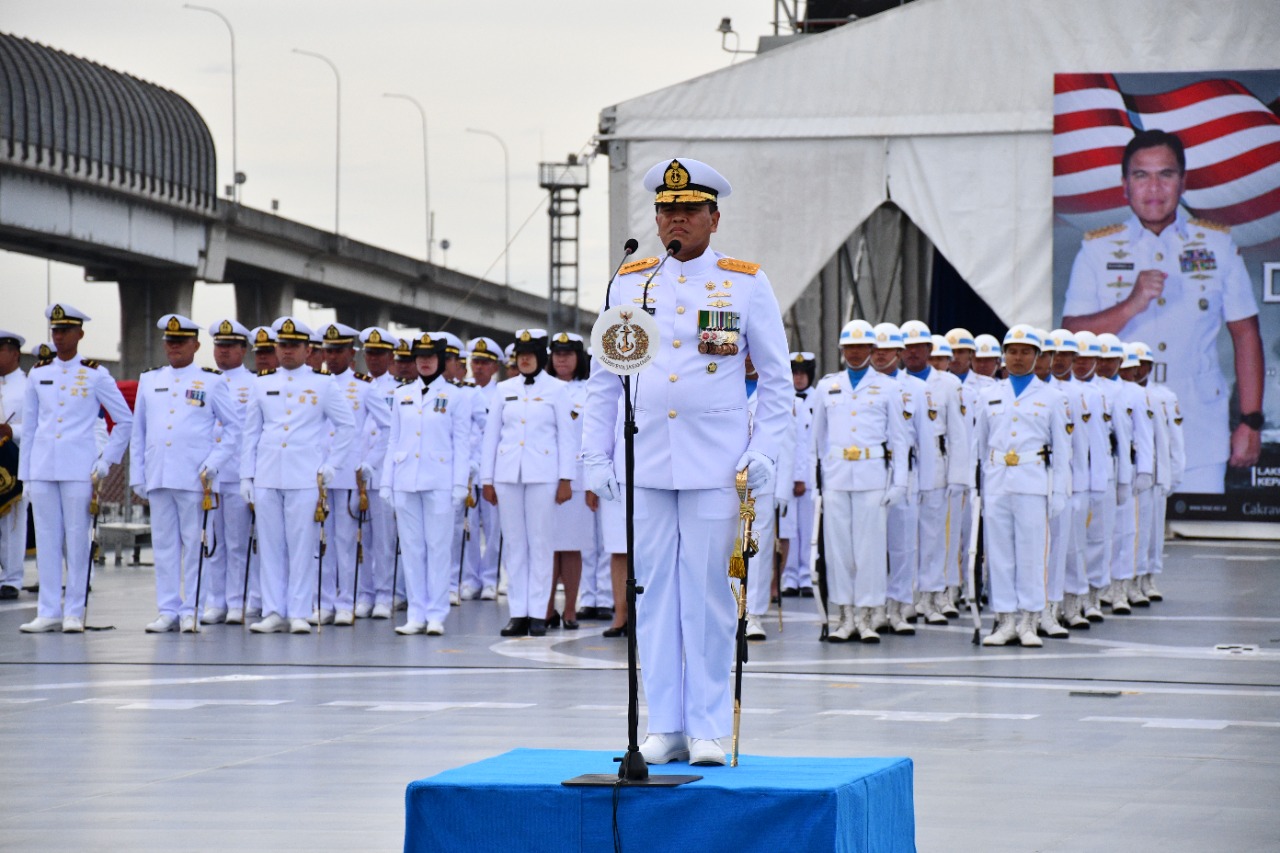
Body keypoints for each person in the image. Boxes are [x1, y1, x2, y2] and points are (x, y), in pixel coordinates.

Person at [582, 157, 791, 767]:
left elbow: (777, 382)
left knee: (707, 594)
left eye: (688, 211)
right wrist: (594, 452)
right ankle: (666, 724)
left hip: (716, 465)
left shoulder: (746, 282)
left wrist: (763, 450)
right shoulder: (630, 282)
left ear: (713, 218)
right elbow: (604, 377)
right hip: (645, 461)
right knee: (653, 594)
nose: (675, 220)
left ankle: (706, 725)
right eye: (666, 211)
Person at [1063, 129, 1264, 494]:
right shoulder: (1097, 250)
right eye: (1141, 175)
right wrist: (1131, 304)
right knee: (1119, 547)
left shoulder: (1217, 245)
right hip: (1117, 429)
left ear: (1182, 182)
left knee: (1199, 543)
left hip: (1198, 431)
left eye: (1165, 174)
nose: (1153, 188)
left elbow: (1246, 334)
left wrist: (1251, 422)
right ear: (1125, 185)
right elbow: (1073, 336)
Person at [19, 304, 133, 633]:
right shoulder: (39, 374)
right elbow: (29, 429)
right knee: (47, 539)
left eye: (65, 330)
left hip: (78, 470)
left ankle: (74, 610)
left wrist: (105, 460)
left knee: (77, 541)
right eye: (55, 330)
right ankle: (49, 610)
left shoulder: (95, 374)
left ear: (79, 334)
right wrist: (26, 475)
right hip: (42, 468)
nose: (58, 336)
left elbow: (123, 421)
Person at [239, 316, 356, 635]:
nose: (287, 351)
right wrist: (246, 476)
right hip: (267, 473)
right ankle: (274, 609)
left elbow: (347, 426)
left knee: (303, 546)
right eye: (282, 345)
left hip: (305, 474)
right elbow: (250, 433)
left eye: (294, 346)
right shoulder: (261, 383)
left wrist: (332, 463)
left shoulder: (323, 383)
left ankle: (300, 611)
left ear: (308, 349)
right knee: (270, 545)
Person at [129, 315, 240, 633]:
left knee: (195, 545)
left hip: (195, 478)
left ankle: (191, 609)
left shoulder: (211, 381)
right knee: (163, 546)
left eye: (180, 342)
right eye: (169, 341)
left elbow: (234, 429)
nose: (173, 347)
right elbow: (139, 433)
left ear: (196, 345)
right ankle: (167, 610)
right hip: (160, 474)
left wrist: (213, 463)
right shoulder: (149, 380)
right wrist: (139, 474)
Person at [811, 320, 910, 644]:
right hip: (837, 476)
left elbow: (900, 438)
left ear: (871, 350)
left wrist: (900, 482)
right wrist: (818, 483)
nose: (854, 352)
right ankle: (845, 617)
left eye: (861, 347)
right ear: (842, 351)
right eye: (849, 347)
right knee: (838, 551)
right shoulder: (827, 386)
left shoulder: (889, 387)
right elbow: (818, 439)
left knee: (869, 550)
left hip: (871, 476)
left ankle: (868, 616)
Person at [974, 325, 1070, 648]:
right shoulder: (989, 395)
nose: (1017, 358)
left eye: (1025, 352)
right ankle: (1006, 621)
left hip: (1033, 482)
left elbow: (1063, 451)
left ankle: (1029, 620)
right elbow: (981, 445)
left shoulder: (1053, 398)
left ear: (1038, 357)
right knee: (999, 554)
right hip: (999, 481)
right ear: (1004, 355)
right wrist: (984, 486)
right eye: (1012, 351)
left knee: (1031, 553)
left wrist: (1059, 493)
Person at [480, 329, 576, 639]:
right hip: (508, 474)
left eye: (530, 354)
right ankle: (517, 612)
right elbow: (491, 436)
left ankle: (538, 613)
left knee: (541, 543)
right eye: (520, 354)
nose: (524, 359)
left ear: (540, 357)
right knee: (515, 545)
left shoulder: (557, 390)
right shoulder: (503, 388)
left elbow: (566, 437)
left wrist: (566, 478)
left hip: (543, 474)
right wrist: (487, 478)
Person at [382, 332, 472, 636]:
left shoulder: (456, 396)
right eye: (419, 358)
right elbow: (393, 440)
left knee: (438, 547)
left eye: (430, 357)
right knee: (411, 549)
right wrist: (387, 482)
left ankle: (436, 613)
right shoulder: (401, 394)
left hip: (440, 480)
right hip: (406, 478)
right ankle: (416, 613)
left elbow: (462, 443)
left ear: (441, 361)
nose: (424, 362)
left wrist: (460, 483)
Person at [315, 322, 387, 626]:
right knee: (319, 543)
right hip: (316, 474)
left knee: (345, 542)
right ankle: (324, 601)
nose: (332, 357)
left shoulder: (364, 386)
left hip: (346, 476)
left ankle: (346, 602)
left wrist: (370, 461)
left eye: (338, 351)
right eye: (328, 351)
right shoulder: (314, 383)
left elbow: (388, 427)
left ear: (351, 353)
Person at [899, 320, 970, 624]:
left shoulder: (949, 384)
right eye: (908, 347)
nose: (913, 352)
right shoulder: (894, 383)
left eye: (919, 346)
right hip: (905, 469)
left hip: (938, 468)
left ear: (930, 349)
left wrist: (958, 476)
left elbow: (958, 434)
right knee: (904, 536)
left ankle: (932, 596)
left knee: (935, 535)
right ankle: (908, 596)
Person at [868, 323, 930, 636]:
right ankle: (876, 607)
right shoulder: (864, 386)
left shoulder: (915, 389)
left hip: (908, 474)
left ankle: (898, 606)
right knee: (874, 545)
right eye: (875, 351)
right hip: (875, 473)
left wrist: (925, 482)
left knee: (904, 546)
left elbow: (925, 438)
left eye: (886, 351)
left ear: (899, 353)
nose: (880, 357)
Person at [1071, 330, 1132, 622]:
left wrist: (1124, 480)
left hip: (1103, 473)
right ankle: (1072, 597)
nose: (1082, 364)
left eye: (1088, 359)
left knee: (1099, 538)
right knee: (1071, 541)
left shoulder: (1113, 393)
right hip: (1070, 476)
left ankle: (1094, 595)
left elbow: (1123, 438)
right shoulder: (1060, 390)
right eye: (1077, 358)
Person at [202, 319, 256, 624]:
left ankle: (237, 602)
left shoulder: (255, 384)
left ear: (242, 350)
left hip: (236, 473)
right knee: (212, 542)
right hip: (209, 475)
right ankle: (215, 601)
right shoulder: (206, 381)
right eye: (218, 346)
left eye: (229, 346)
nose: (222, 352)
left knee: (237, 543)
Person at [1095, 333, 1154, 614]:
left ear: (1120, 361)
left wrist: (1144, 469)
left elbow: (1143, 436)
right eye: (1101, 359)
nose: (1105, 365)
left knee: (1126, 530)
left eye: (1110, 360)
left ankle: (1120, 588)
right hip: (1098, 468)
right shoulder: (1088, 390)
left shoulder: (1134, 393)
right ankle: (1096, 588)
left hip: (1124, 467)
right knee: (1096, 533)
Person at [543, 332, 591, 630]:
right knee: (546, 546)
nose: (562, 358)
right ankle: (545, 608)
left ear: (578, 358)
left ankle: (570, 608)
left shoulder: (590, 391)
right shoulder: (540, 388)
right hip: (543, 477)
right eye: (557, 353)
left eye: (568, 353)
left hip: (576, 479)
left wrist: (590, 484)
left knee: (572, 547)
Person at [1134, 341, 1184, 600]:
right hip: (1130, 476)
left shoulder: (1165, 397)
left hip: (1156, 474)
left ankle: (1148, 578)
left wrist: (1174, 474)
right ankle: (1127, 581)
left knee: (1153, 533)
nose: (1138, 369)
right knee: (1129, 533)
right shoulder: (1119, 394)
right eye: (1134, 364)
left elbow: (1175, 439)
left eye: (1144, 364)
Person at [358, 326, 401, 618]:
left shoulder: (399, 390)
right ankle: (363, 593)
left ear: (390, 356)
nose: (373, 359)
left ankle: (385, 595)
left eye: (379, 354)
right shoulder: (354, 386)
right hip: (354, 475)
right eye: (370, 353)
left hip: (383, 474)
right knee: (358, 541)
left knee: (384, 539)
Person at [462, 336, 504, 602]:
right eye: (475, 361)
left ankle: (490, 579)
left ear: (494, 367)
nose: (478, 367)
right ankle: (470, 579)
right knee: (467, 529)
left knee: (493, 529)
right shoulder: (462, 392)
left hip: (492, 472)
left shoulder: (501, 394)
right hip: (467, 474)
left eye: (484, 363)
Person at [780, 352, 817, 599]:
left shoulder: (819, 398)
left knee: (807, 527)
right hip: (786, 475)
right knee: (788, 528)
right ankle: (789, 576)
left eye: (803, 373)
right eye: (795, 373)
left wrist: (804, 476)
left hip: (810, 475)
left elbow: (811, 442)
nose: (799, 378)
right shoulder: (782, 399)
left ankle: (806, 575)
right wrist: (793, 476)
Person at [0, 328, 28, 600]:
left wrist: (12, 431)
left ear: (14, 353)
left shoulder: (28, 385)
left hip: (16, 460)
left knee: (13, 522)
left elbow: (37, 425)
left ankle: (12, 578)